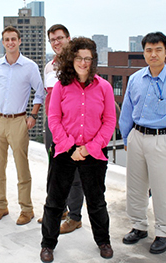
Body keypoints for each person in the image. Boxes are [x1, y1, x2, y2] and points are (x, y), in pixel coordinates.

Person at [40, 37, 116, 262]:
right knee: (54, 202)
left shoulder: (104, 88)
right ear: (71, 58)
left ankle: (103, 241)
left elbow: (109, 121)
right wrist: (72, 147)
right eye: (79, 58)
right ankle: (47, 245)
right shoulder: (61, 87)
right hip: (64, 152)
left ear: (93, 61)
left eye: (87, 59)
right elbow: (53, 119)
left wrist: (88, 149)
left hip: (93, 154)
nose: (83, 63)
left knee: (96, 202)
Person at [119, 32, 166, 254]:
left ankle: (164, 232)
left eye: (158, 49)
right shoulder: (136, 79)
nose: (153, 54)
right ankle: (138, 226)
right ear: (144, 53)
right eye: (149, 50)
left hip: (162, 139)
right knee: (135, 186)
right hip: (137, 138)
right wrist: (126, 137)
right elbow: (127, 111)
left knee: (162, 189)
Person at [0, 26, 45, 225]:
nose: (10, 42)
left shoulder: (29, 66)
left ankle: (26, 209)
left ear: (19, 41)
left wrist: (33, 115)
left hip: (19, 121)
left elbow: (40, 92)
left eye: (13, 39)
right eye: (6, 39)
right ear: (2, 42)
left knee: (22, 167)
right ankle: (1, 206)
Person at [38, 24, 84, 235]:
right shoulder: (49, 67)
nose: (56, 42)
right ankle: (60, 209)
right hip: (53, 125)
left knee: (74, 172)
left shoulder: (79, 64)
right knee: (55, 169)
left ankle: (75, 217)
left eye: (59, 38)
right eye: (52, 40)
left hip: (73, 126)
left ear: (68, 38)